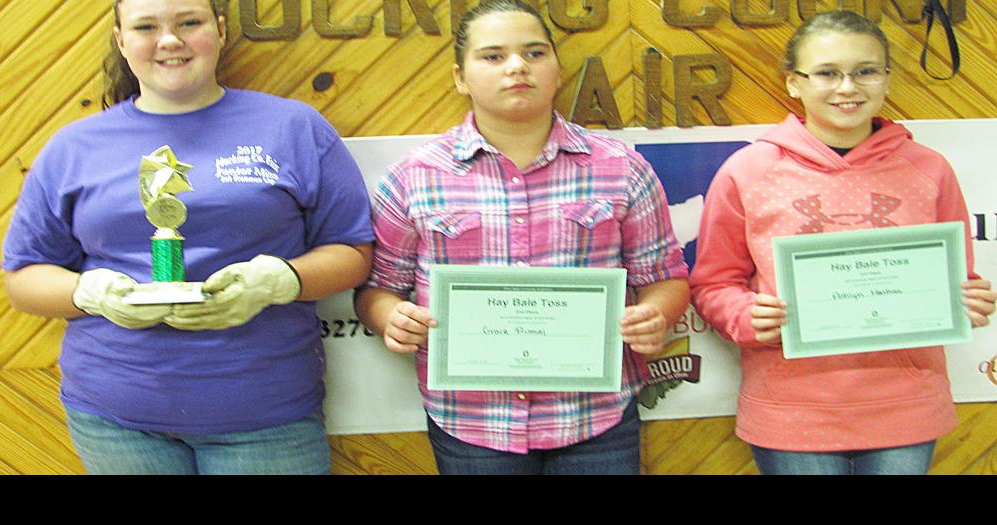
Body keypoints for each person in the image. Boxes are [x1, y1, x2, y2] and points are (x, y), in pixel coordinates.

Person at [2, 0, 374, 474]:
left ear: (219, 30)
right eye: (146, 27)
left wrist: (278, 280)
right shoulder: (72, 147)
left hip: (267, 414)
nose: (169, 40)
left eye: (188, 23)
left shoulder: (294, 128)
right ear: (121, 41)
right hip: (116, 418)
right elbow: (22, 278)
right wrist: (88, 293)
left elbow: (352, 253)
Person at [353, 0, 689, 475]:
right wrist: (391, 317)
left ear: (556, 70)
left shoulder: (622, 169)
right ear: (459, 77)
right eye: (492, 56)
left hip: (596, 417)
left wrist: (657, 313)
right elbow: (376, 291)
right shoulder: (414, 177)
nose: (517, 66)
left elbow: (667, 279)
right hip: (470, 421)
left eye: (534, 53)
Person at [688, 10, 996, 475]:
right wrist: (744, 315)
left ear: (886, 78)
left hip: (905, 405)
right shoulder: (748, 171)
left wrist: (967, 299)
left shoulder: (929, 168)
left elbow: (956, 278)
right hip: (790, 409)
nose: (847, 88)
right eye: (827, 73)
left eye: (865, 71)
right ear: (794, 82)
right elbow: (713, 282)